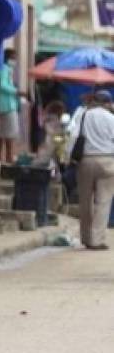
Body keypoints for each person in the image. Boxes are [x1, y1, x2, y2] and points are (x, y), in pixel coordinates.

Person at [73, 90, 114, 251]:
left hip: (86, 160)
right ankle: (97, 240)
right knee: (103, 202)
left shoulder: (83, 115)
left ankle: (86, 238)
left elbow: (74, 135)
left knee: (85, 200)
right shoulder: (112, 119)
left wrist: (70, 157)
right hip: (108, 160)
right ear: (108, 103)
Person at [0, 48, 27, 163]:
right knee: (9, 132)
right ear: (8, 58)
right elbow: (1, 85)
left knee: (5, 131)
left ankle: (4, 156)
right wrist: (16, 91)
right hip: (6, 105)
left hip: (8, 104)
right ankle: (7, 156)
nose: (15, 60)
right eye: (13, 58)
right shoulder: (3, 69)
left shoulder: (7, 69)